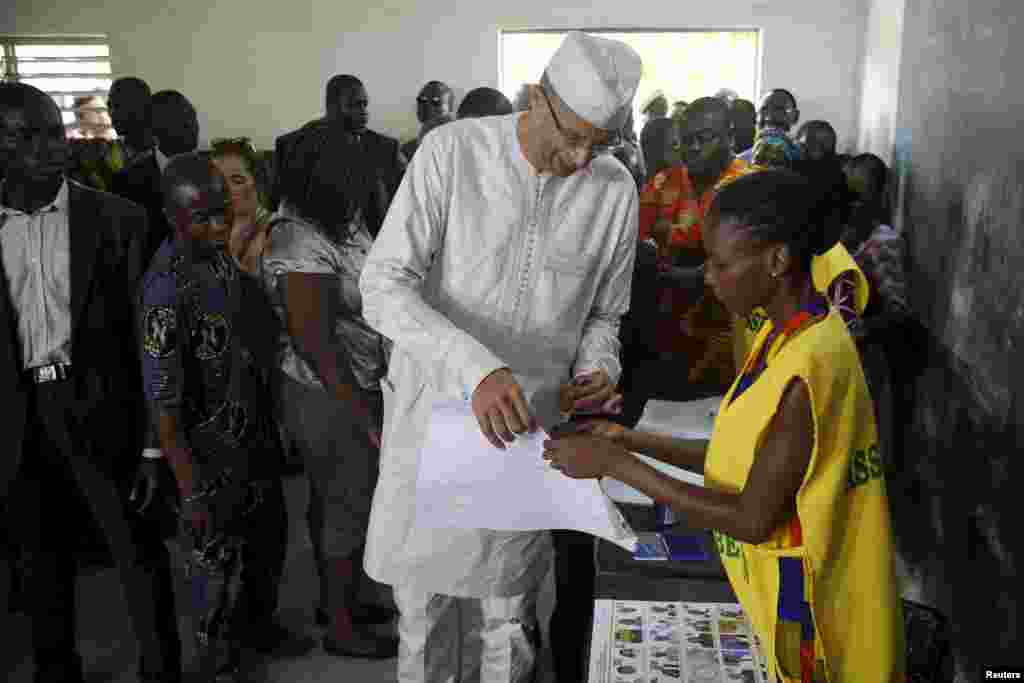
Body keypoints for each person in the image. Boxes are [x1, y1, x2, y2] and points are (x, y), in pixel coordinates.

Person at [544, 169, 906, 683]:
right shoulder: (785, 333)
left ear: (777, 260)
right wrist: (630, 439)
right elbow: (749, 455)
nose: (708, 277)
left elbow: (753, 517)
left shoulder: (810, 366)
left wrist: (615, 463)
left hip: (816, 619)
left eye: (721, 263)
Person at [358, 30, 642, 683]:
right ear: (534, 97)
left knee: (508, 619)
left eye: (599, 144)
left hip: (523, 432)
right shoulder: (453, 154)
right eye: (572, 136)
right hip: (433, 417)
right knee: (424, 614)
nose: (579, 158)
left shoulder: (613, 190)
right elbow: (382, 286)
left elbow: (605, 312)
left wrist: (599, 368)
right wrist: (476, 367)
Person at [0, 81, 181, 683]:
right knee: (38, 562)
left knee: (137, 553)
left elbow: (150, 343)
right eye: (29, 136)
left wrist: (153, 443)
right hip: (20, 417)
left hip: (103, 409)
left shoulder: (117, 220)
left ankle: (161, 671)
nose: (50, 147)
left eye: (55, 132)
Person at [139, 152, 293, 681]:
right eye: (202, 216)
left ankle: (256, 633)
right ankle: (213, 662)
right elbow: (164, 404)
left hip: (249, 437)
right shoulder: (164, 291)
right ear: (171, 215)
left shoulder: (219, 259)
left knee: (267, 542)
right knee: (211, 574)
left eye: (223, 213)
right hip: (205, 459)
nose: (217, 225)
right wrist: (190, 489)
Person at [265, 102, 401, 659]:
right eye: (352, 175)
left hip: (357, 380)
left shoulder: (340, 221)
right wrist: (361, 412)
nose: (363, 183)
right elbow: (316, 345)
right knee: (343, 503)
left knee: (350, 500)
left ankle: (346, 597)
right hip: (325, 391)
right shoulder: (297, 240)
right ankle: (340, 627)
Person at [636, 97, 753, 395]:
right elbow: (634, 236)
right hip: (665, 325)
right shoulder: (666, 182)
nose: (694, 149)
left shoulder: (752, 187)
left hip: (727, 326)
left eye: (704, 139)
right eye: (686, 142)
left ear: (729, 135)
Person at [274, 74, 405, 235]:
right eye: (355, 105)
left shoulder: (385, 148)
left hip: (373, 239)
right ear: (332, 107)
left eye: (364, 105)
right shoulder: (296, 144)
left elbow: (409, 198)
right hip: (313, 237)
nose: (364, 112)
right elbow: (279, 202)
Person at [112, 89, 200, 269]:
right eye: (178, 119)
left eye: (192, 116)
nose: (191, 125)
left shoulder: (214, 170)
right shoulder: (127, 181)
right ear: (153, 128)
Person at [738, 89, 802, 167]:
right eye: (764, 110)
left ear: (795, 116)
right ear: (756, 116)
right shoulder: (739, 162)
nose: (769, 117)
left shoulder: (803, 161)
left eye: (779, 110)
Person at [401, 81, 455, 161]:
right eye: (422, 100)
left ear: (450, 109)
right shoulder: (406, 151)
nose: (427, 105)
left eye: (436, 102)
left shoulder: (459, 147)